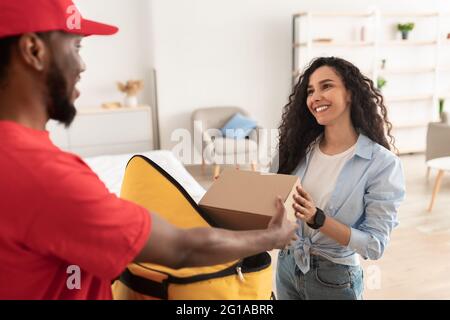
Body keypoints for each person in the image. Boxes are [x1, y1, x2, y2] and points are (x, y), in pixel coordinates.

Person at [0, 0, 298, 300]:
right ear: (34, 51)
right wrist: (271, 237)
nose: (82, 65)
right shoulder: (42, 174)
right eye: (76, 47)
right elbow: (181, 248)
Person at [272, 57, 406, 300]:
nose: (315, 97)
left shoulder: (382, 164)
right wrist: (236, 194)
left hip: (333, 278)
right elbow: (271, 200)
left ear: (350, 94)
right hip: (287, 266)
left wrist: (317, 218)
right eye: (310, 91)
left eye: (326, 86)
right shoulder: (296, 149)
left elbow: (374, 245)